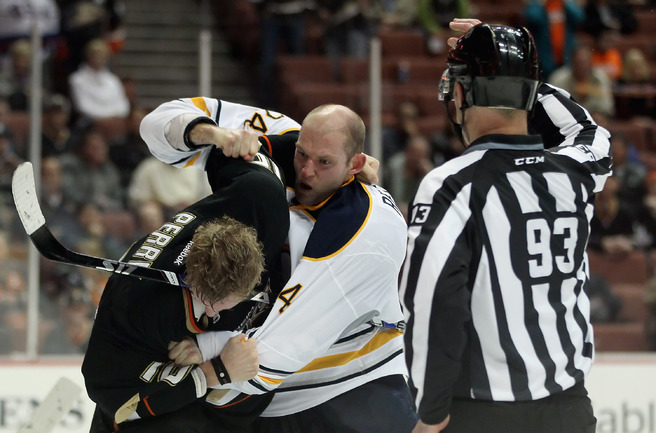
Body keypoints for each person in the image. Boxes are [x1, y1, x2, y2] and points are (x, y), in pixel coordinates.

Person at [140, 97, 418, 431]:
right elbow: (157, 123)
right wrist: (213, 136)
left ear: (356, 164)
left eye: (325, 162)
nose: (307, 171)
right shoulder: (289, 136)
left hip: (357, 395)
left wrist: (204, 350)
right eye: (302, 155)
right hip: (265, 402)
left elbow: (274, 357)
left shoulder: (367, 232)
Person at [399, 19, 611, 433]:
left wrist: (430, 411)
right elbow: (588, 130)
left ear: (460, 94)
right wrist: (517, 76)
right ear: (529, 96)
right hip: (570, 410)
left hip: (482, 412)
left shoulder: (452, 185)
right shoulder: (575, 173)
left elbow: (433, 302)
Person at [81, 139, 291, 431]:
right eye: (206, 298)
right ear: (190, 276)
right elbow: (116, 404)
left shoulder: (261, 200)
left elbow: (230, 151)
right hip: (145, 399)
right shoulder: (138, 306)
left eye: (224, 302)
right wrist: (214, 372)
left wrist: (219, 135)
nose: (212, 310)